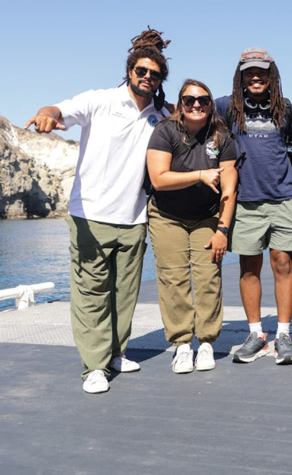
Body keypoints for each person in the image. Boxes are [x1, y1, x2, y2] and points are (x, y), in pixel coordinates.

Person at [24, 28, 171, 393]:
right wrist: (46, 114)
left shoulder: (161, 115)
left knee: (124, 292)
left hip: (134, 217)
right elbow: (60, 110)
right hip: (90, 215)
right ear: (130, 70)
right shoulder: (99, 100)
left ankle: (116, 353)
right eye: (141, 71)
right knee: (91, 292)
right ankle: (93, 366)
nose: (146, 78)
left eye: (154, 74)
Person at [216, 47, 292, 365]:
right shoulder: (226, 106)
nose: (256, 76)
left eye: (261, 71)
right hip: (246, 201)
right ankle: (256, 334)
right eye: (249, 72)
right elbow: (190, 116)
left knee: (283, 264)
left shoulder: (284, 107)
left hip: (283, 198)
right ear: (240, 76)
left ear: (272, 75)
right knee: (249, 268)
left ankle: (283, 334)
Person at [146, 79, 237, 373]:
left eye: (203, 100)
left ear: (211, 105)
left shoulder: (222, 137)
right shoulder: (166, 131)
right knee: (173, 278)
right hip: (167, 214)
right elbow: (159, 178)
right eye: (189, 100)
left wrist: (223, 230)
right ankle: (183, 345)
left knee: (208, 275)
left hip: (207, 216)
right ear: (181, 105)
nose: (196, 105)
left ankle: (207, 342)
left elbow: (229, 188)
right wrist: (200, 175)